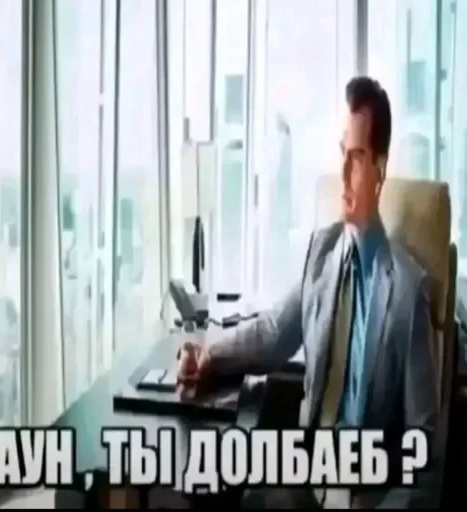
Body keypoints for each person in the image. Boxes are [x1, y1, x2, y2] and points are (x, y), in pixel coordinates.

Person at [177, 77, 438, 509]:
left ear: (380, 168)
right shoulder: (322, 252)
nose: (344, 174)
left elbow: (425, 458)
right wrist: (209, 356)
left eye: (357, 158)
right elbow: (273, 333)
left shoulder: (408, 293)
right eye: (342, 154)